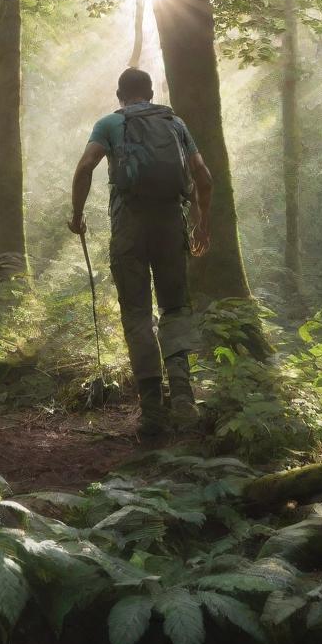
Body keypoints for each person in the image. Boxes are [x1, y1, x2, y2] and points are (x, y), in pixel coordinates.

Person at [68, 68, 213, 435]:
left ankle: (151, 410)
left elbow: (85, 167)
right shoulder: (175, 124)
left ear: (120, 95)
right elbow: (204, 177)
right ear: (150, 93)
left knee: (137, 313)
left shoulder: (109, 124)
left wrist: (77, 215)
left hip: (129, 227)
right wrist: (202, 223)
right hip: (171, 224)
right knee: (174, 308)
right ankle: (183, 397)